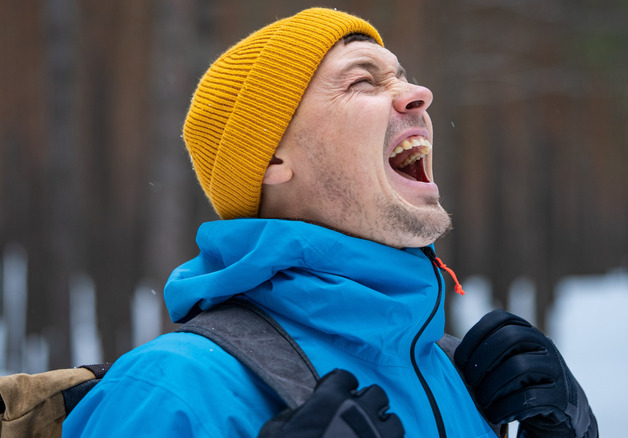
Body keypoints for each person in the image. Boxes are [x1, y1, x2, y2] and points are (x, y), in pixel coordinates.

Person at [63, 8, 597, 438]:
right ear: (273, 157)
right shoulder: (174, 389)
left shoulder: (458, 378)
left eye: (402, 76)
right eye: (363, 81)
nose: (420, 94)